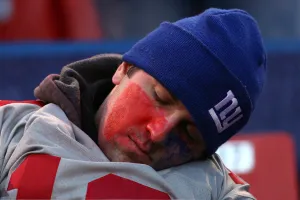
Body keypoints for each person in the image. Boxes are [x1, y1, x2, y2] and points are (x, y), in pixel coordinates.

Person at [0, 8, 266, 199]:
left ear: (202, 154)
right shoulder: (13, 127)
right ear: (123, 69)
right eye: (159, 97)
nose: (159, 132)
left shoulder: (216, 188)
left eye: (189, 133)